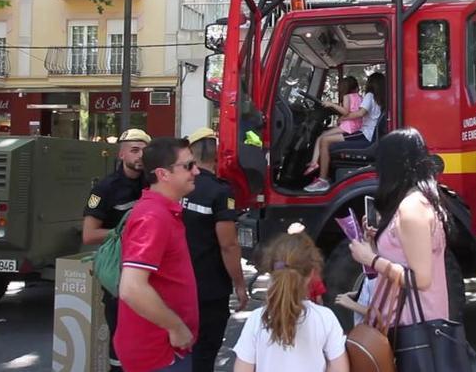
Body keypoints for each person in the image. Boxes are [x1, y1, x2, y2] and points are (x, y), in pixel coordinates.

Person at [116, 137, 201, 372]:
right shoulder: (153, 217)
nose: (196, 171)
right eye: (188, 166)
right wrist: (176, 327)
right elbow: (131, 288)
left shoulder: (160, 212)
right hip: (158, 353)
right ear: (163, 174)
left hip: (165, 349)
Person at [349, 127, 449, 326]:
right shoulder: (420, 200)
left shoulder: (412, 208)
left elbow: (420, 279)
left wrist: (371, 258)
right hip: (408, 323)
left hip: (412, 325)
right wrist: (379, 241)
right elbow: (404, 257)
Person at [81, 128, 151, 372]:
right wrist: (122, 233)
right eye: (134, 150)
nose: (140, 155)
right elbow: (89, 235)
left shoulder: (153, 183)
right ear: (121, 154)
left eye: (144, 150)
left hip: (150, 269)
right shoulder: (105, 189)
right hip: (119, 272)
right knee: (121, 336)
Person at [181, 127, 249, 372]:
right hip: (209, 290)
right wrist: (240, 286)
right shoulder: (220, 192)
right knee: (204, 353)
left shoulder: (175, 189)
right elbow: (228, 245)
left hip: (176, 286)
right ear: (217, 155)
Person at [232, 233, 349, 372]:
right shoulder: (325, 318)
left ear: (272, 271)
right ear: (311, 273)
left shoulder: (256, 320)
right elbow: (340, 369)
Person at [305, 72, 385, 193]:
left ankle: (322, 180)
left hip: (365, 135)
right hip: (369, 134)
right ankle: (323, 176)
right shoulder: (379, 99)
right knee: (326, 138)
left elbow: (360, 113)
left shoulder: (369, 96)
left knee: (325, 141)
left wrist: (344, 118)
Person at [304, 76, 363, 177]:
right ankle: (315, 162)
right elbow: (354, 111)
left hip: (347, 127)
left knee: (321, 137)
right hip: (356, 126)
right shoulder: (359, 97)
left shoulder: (346, 97)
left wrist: (332, 104)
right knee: (324, 134)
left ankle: (314, 163)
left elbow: (345, 111)